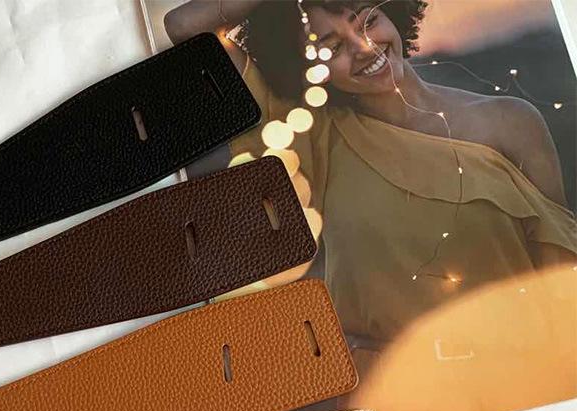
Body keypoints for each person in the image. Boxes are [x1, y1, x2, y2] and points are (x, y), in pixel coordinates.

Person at [164, 1, 577, 350]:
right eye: (332, 46)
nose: (364, 47)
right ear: (306, 65)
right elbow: (183, 26)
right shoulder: (315, 137)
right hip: (401, 390)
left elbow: (562, 273)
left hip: (529, 369)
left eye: (369, 20)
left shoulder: (511, 121)